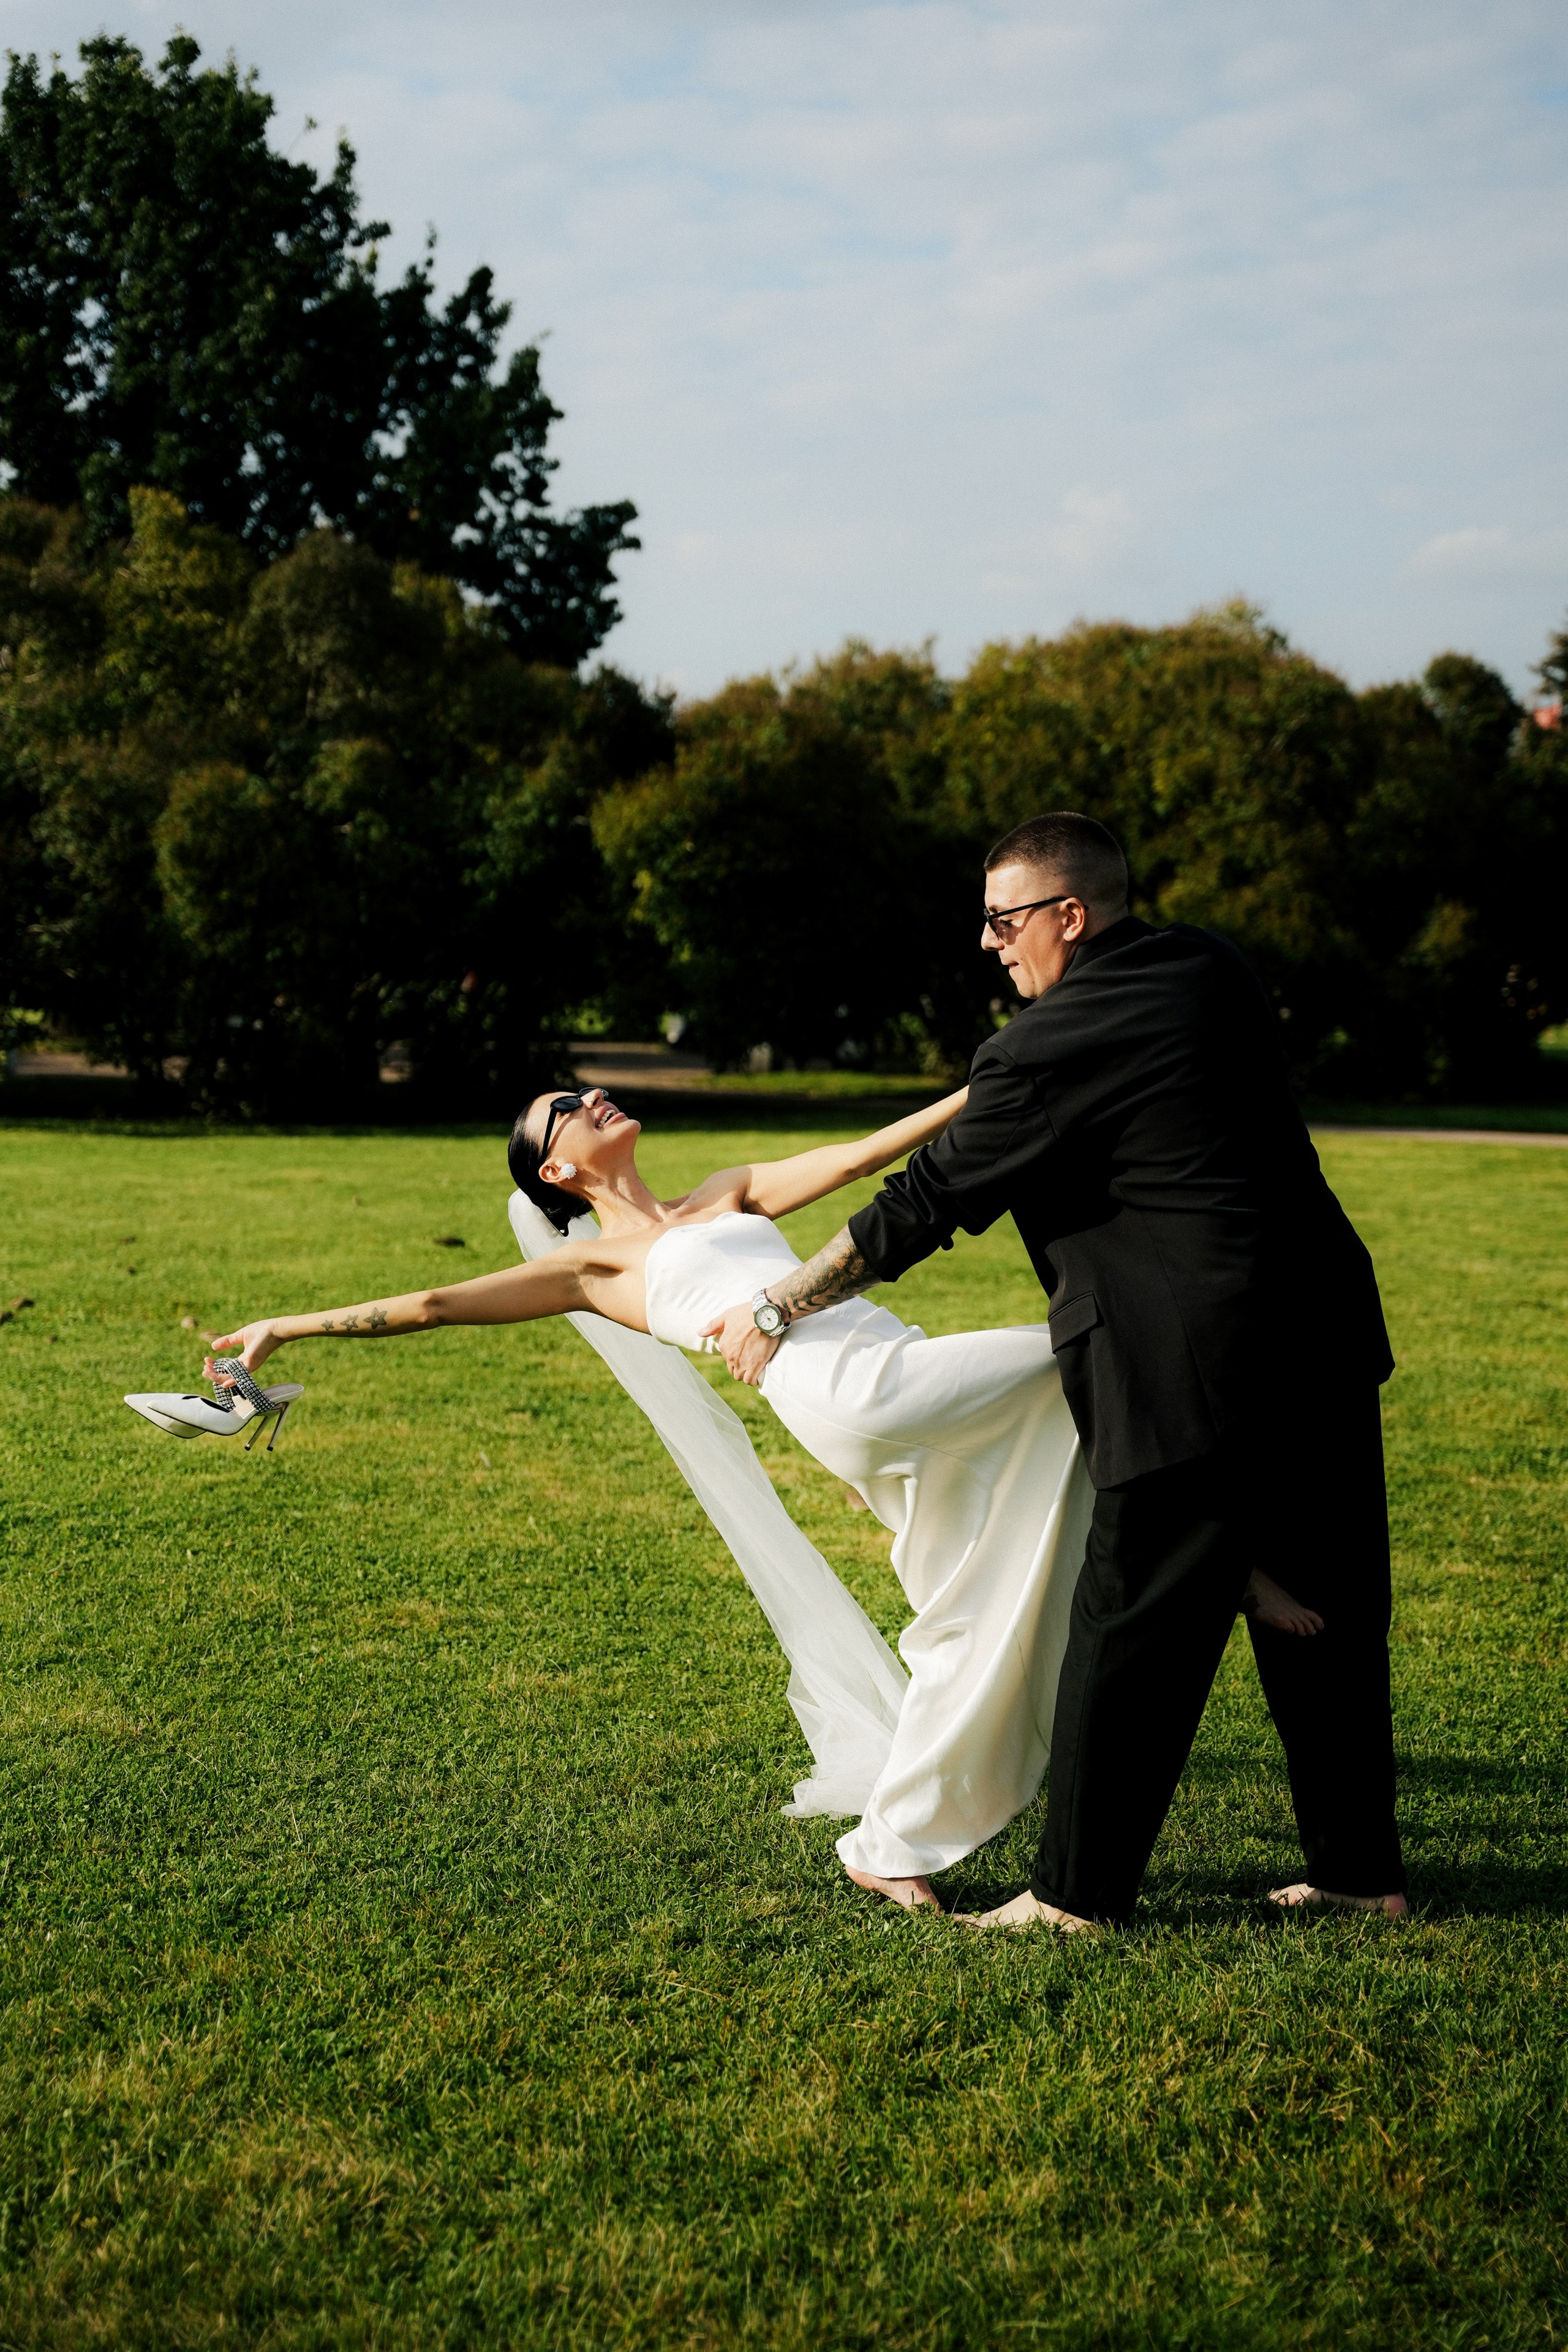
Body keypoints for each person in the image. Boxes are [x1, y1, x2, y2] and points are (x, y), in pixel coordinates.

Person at [706, 810, 1408, 1931]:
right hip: (1321, 1332)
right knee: (1324, 1611)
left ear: (1068, 917)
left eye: (1003, 921)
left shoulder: (1045, 1045)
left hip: (1194, 1368)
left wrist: (775, 1303)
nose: (989, 944)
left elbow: (919, 1207)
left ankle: (1076, 1899)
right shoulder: (1206, 963)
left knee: (1130, 1633)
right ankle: (1362, 1875)